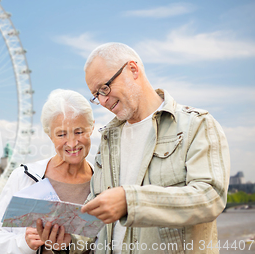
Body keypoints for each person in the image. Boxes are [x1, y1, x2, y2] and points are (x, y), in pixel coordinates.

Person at [79, 42, 230, 254]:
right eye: (96, 95)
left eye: (105, 88)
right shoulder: (107, 140)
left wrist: (130, 201)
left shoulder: (197, 125)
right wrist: (62, 240)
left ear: (133, 69)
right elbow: (94, 211)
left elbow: (210, 198)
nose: (103, 101)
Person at [0, 89, 96, 254]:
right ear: (49, 135)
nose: (71, 143)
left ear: (91, 127)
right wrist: (25, 243)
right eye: (61, 134)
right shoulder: (23, 177)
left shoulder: (103, 181)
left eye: (79, 132)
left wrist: (72, 244)